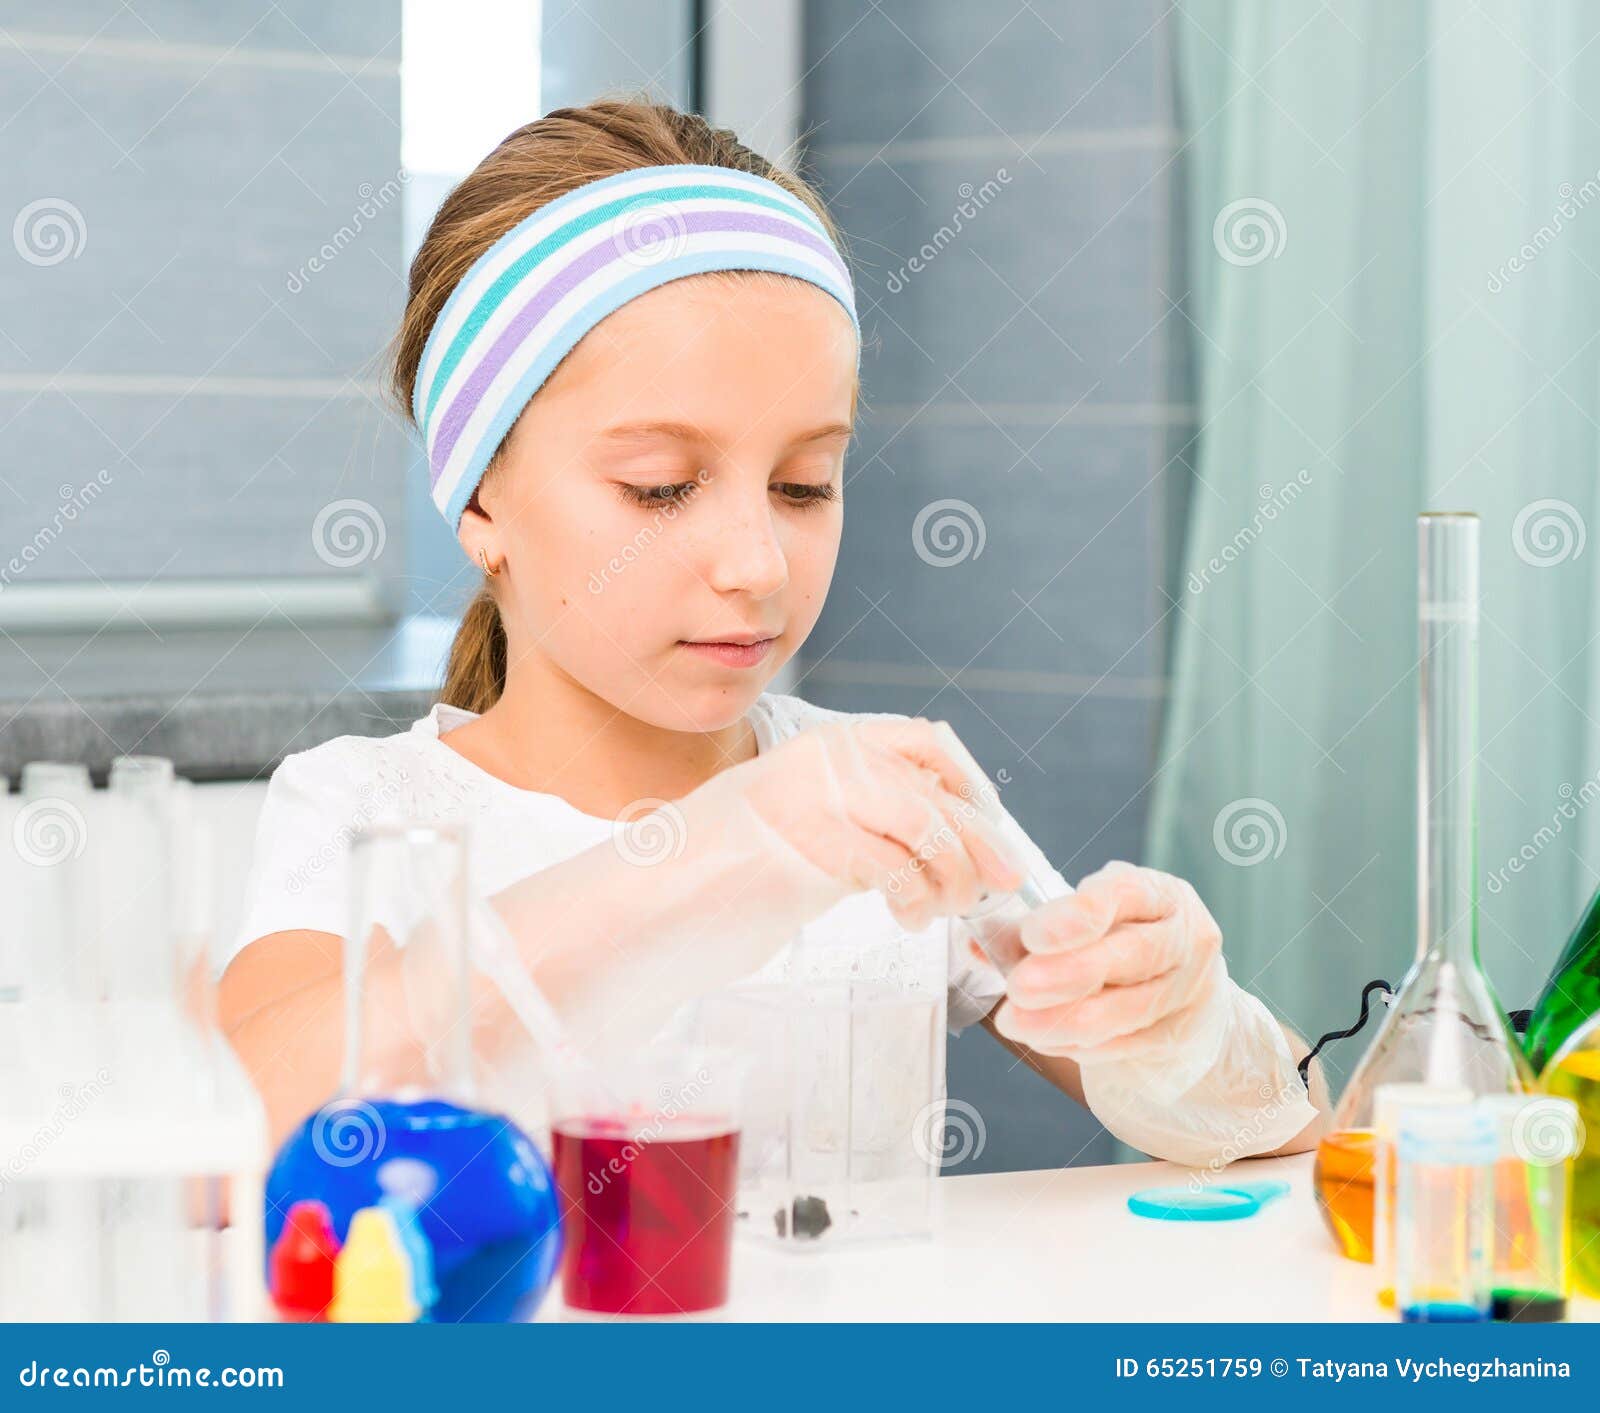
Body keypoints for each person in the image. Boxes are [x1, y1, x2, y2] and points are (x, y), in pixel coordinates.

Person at [220, 97, 1329, 1168]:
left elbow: (1287, 1124)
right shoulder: (371, 815)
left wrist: (1183, 1029)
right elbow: (249, 1123)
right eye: (658, 488)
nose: (755, 566)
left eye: (803, 486)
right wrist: (719, 852)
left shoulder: (879, 798)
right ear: (478, 504)